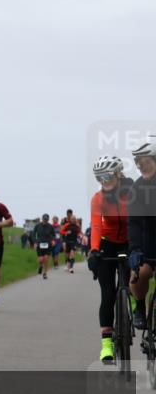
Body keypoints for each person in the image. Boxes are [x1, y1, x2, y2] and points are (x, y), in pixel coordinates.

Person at [86, 155, 133, 363]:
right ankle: (107, 345)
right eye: (99, 178)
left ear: (118, 174)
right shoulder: (98, 199)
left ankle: (132, 305)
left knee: (133, 281)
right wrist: (94, 250)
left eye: (107, 176)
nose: (103, 181)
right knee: (107, 293)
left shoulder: (132, 193)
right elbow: (96, 225)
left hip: (130, 241)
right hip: (107, 243)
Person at [128, 137, 156, 329]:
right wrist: (135, 249)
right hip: (148, 240)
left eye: (144, 161)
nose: (140, 166)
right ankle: (139, 305)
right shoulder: (137, 188)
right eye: (137, 163)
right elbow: (134, 222)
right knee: (139, 274)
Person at [30, 214, 56, 280]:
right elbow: (33, 234)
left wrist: (52, 240)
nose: (45, 221)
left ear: (48, 220)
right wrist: (35, 242)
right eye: (44, 219)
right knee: (41, 260)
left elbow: (54, 235)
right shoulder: (37, 226)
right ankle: (40, 266)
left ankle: (45, 273)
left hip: (48, 244)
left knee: (46, 258)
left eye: (46, 220)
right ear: (42, 219)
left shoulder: (50, 226)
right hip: (39, 244)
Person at [60, 209, 81, 273]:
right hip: (67, 241)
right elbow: (61, 231)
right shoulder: (67, 225)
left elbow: (79, 232)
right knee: (67, 255)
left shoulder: (77, 226)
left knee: (72, 254)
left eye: (74, 219)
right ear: (70, 220)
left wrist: (81, 237)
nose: (73, 220)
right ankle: (67, 264)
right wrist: (66, 232)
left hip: (74, 242)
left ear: (75, 220)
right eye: (72, 219)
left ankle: (71, 268)